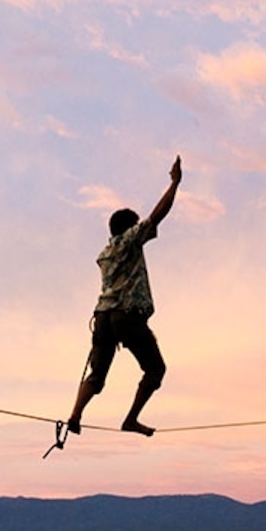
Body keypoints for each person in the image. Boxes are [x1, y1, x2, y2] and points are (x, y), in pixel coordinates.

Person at [67, 156, 182, 437]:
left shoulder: (105, 254)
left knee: (97, 376)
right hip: (125, 316)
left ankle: (75, 414)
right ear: (129, 227)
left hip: (103, 317)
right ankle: (131, 419)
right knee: (155, 370)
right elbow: (158, 214)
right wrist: (175, 183)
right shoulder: (130, 241)